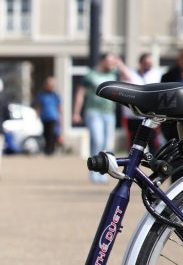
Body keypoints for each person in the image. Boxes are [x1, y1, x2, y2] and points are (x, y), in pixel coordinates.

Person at [74, 52, 131, 184]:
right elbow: (80, 94)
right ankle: (94, 172)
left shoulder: (115, 74)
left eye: (113, 61)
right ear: (102, 61)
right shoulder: (91, 75)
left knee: (107, 144)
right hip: (93, 112)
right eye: (110, 61)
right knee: (97, 141)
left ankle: (104, 172)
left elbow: (129, 79)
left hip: (109, 114)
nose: (112, 64)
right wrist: (76, 112)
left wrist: (120, 65)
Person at [123, 53, 162, 153]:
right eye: (146, 63)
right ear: (141, 63)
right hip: (133, 115)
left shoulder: (156, 74)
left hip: (151, 115)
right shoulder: (131, 74)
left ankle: (155, 165)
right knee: (133, 142)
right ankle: (131, 165)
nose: (148, 65)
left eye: (150, 63)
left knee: (153, 141)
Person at [34, 77, 62, 156]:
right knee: (45, 133)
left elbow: (59, 106)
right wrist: (37, 114)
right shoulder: (42, 95)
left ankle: (51, 149)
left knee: (51, 133)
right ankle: (47, 148)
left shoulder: (56, 95)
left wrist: (60, 117)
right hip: (44, 117)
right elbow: (38, 105)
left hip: (53, 117)